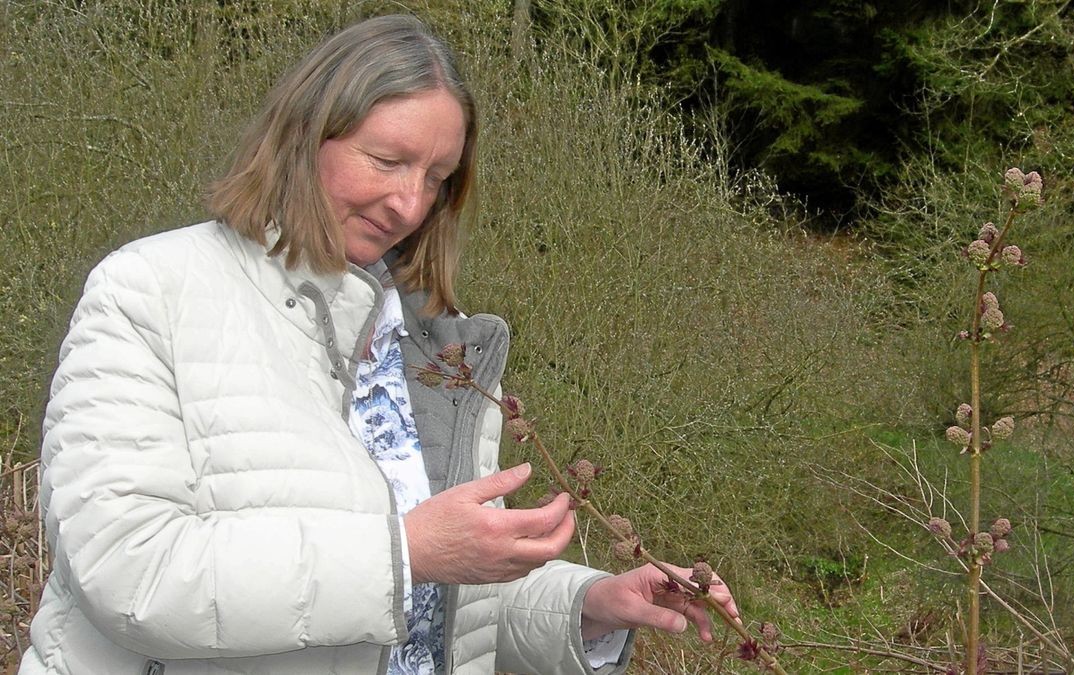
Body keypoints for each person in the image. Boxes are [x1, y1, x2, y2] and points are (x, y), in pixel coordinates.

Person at [20, 13, 738, 675]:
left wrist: (592, 605)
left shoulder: (433, 349)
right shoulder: (151, 291)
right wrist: (406, 553)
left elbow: (444, 611)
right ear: (304, 135)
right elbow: (131, 572)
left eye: (436, 178)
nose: (410, 204)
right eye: (387, 160)